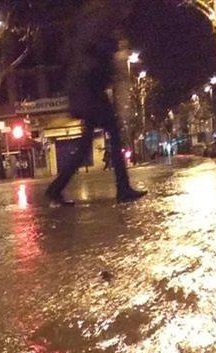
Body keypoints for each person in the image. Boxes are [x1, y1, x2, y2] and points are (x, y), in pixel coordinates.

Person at [45, 0, 146, 205]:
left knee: (86, 143)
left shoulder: (89, 16)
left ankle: (56, 188)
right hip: (89, 87)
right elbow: (95, 50)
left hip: (85, 86)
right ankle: (123, 188)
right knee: (113, 135)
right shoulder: (101, 16)